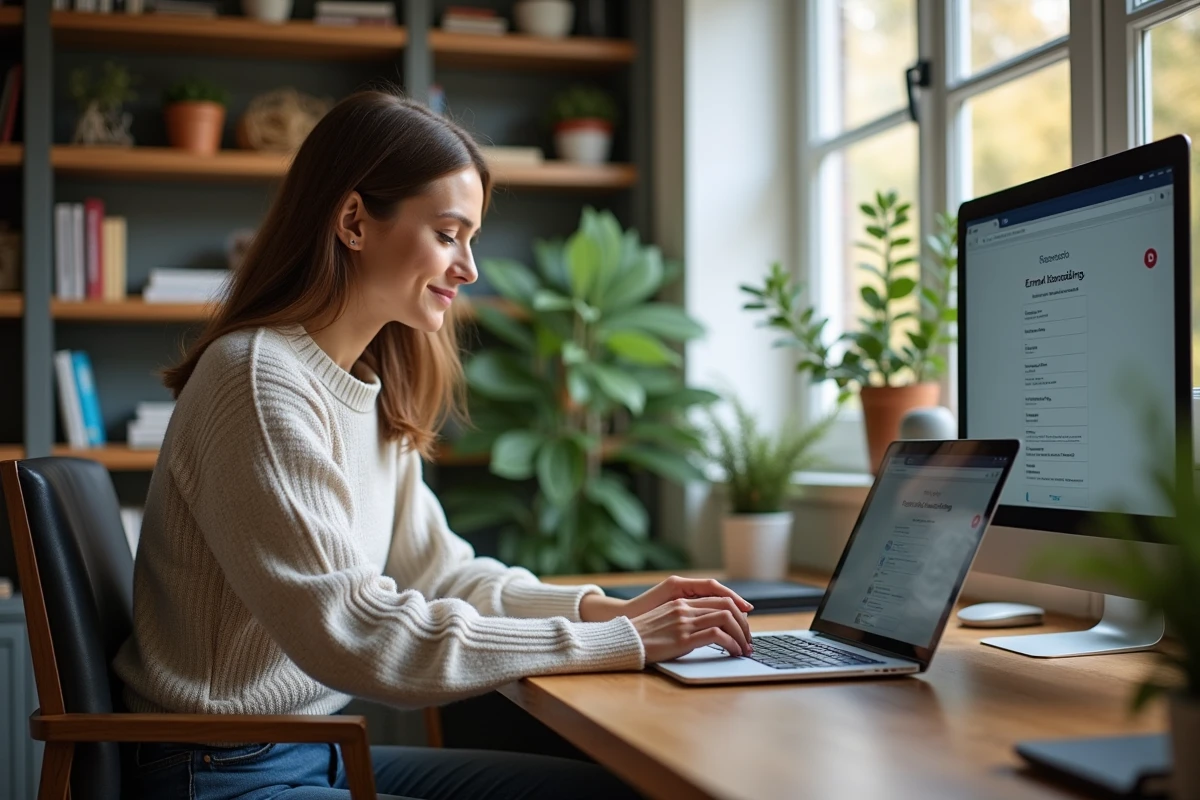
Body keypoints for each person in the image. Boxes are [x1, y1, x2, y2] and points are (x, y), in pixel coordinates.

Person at [113, 89, 755, 800]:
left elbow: (442, 575)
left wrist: (606, 613)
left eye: (471, 239)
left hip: (310, 751)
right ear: (354, 221)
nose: (469, 268)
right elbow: (354, 632)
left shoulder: (364, 384)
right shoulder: (260, 379)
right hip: (216, 774)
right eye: (449, 234)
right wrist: (621, 645)